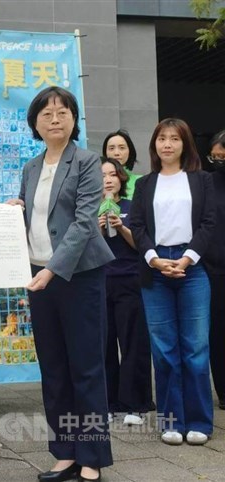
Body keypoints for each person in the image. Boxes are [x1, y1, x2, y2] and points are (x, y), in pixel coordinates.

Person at [7, 86, 114, 482]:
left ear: (74, 119)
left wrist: (53, 269)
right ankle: (64, 452)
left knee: (86, 368)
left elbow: (85, 223)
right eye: (47, 113)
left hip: (79, 276)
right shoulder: (31, 168)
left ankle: (92, 458)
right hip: (39, 279)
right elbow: (30, 220)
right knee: (53, 368)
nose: (55, 119)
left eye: (63, 112)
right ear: (35, 122)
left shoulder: (86, 162)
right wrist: (11, 212)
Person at [130, 118, 216, 446]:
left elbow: (209, 223)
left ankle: (198, 422)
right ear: (154, 145)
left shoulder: (201, 180)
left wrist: (187, 258)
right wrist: (153, 258)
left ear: (185, 144)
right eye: (161, 139)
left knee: (195, 348)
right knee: (164, 350)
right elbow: (137, 226)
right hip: (155, 268)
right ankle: (171, 421)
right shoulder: (145, 184)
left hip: (191, 267)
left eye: (174, 139)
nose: (167, 144)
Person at [98, 158, 154, 425]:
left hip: (130, 280)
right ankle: (108, 402)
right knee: (104, 344)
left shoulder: (133, 208)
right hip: (100, 283)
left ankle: (136, 403)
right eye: (102, 175)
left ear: (122, 179)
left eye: (113, 174)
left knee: (133, 342)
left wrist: (121, 227)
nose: (108, 179)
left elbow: (141, 245)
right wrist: (96, 230)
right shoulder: (88, 210)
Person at [206, 130, 225, 411]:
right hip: (215, 268)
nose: (219, 161)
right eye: (215, 157)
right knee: (218, 332)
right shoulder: (208, 183)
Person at [102, 130, 140, 199]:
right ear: (105, 153)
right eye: (111, 148)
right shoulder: (97, 181)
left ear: (130, 151)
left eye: (122, 148)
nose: (116, 153)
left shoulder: (141, 182)